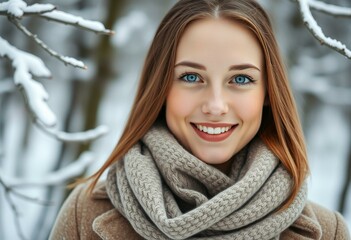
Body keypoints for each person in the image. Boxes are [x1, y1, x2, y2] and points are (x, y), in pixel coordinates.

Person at [50, 0, 350, 239]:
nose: (216, 106)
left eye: (241, 79)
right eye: (191, 77)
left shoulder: (330, 232)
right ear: (161, 88)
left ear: (268, 92)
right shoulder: (84, 212)